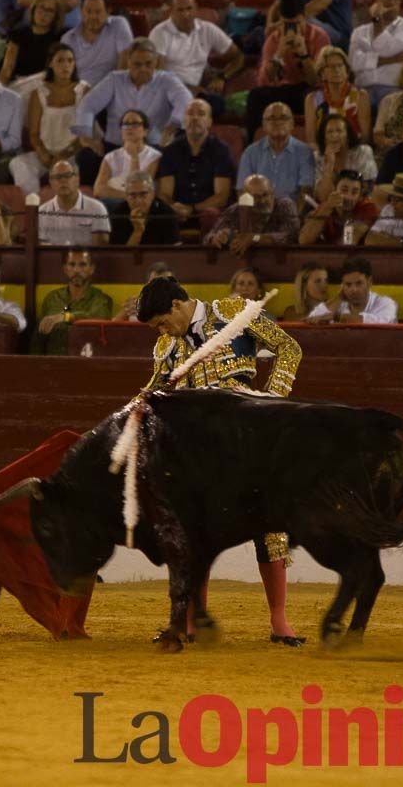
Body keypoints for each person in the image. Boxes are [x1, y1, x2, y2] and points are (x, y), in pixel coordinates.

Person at [136, 275, 304, 645]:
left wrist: (272, 400)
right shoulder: (166, 344)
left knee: (269, 526)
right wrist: (128, 414)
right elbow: (154, 389)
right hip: (195, 449)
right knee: (192, 530)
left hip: (246, 438)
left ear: (177, 306)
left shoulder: (234, 312)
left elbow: (289, 349)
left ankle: (279, 622)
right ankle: (193, 621)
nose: (162, 331)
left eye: (163, 322)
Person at [72, 38, 191, 185]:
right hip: (114, 146)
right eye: (137, 64)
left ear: (156, 62)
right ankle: (95, 202)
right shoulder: (114, 79)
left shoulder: (167, 80)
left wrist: (172, 125)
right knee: (85, 157)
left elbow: (186, 101)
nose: (143, 69)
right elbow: (87, 104)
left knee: (174, 158)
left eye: (148, 64)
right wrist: (86, 137)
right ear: (128, 62)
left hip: (152, 148)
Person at [148, 0, 243, 118]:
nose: (186, 14)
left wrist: (222, 76)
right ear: (171, 11)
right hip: (168, 94)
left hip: (198, 94)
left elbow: (238, 57)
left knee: (218, 105)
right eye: (180, 10)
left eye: (189, 8)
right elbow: (158, 76)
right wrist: (187, 89)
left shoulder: (207, 29)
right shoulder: (159, 33)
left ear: (196, 8)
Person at [10, 42, 89, 195]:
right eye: (60, 60)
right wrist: (43, 154)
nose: (66, 65)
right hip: (46, 153)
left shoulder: (84, 90)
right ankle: (34, 206)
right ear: (50, 64)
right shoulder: (39, 92)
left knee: (74, 169)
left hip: (73, 154)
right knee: (18, 163)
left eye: (70, 60)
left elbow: (85, 134)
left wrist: (63, 156)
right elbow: (33, 133)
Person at [245, 0, 329, 142]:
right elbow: (265, 80)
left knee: (318, 97)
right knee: (256, 96)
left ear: (305, 19)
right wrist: (279, 54)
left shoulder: (319, 37)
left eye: (296, 24)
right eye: (287, 24)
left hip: (309, 90)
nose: (292, 29)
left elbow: (317, 82)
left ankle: (319, 144)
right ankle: (253, 144)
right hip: (285, 90)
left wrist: (304, 55)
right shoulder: (274, 39)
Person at [156, 98, 234, 229]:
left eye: (201, 114)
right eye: (190, 113)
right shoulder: (170, 151)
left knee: (211, 215)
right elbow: (165, 193)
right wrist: (175, 208)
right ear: (184, 120)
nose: (195, 118)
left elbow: (221, 196)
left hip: (208, 212)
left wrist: (192, 209)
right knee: (159, 214)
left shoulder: (221, 150)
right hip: (177, 212)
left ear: (210, 122)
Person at [31, 249, 114, 354]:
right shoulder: (53, 298)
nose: (77, 270)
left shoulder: (101, 299)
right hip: (53, 363)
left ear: (92, 269)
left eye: (82, 265)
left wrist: (67, 317)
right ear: (65, 269)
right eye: (72, 264)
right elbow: (41, 332)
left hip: (86, 361)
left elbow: (101, 318)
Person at [349, 0, 403, 106]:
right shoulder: (359, 31)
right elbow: (354, 63)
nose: (391, 2)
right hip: (362, 89)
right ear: (377, 0)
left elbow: (385, 49)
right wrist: (394, 59)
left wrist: (377, 20)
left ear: (400, 3)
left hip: (393, 89)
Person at [237, 102, 315, 205]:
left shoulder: (304, 152)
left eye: (283, 118)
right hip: (258, 212)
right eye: (271, 118)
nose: (277, 122)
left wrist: (293, 218)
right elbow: (243, 192)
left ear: (292, 124)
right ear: (264, 125)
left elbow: (306, 192)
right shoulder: (250, 153)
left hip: (292, 213)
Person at [205, 174, 301, 255]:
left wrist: (255, 238)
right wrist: (216, 238)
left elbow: (291, 235)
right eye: (256, 197)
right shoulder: (236, 209)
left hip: (276, 261)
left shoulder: (285, 205)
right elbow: (208, 237)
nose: (262, 201)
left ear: (272, 192)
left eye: (265, 195)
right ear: (245, 197)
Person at [60, 0, 132, 86]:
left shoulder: (118, 24)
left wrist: (116, 89)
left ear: (108, 11)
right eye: (88, 11)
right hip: (78, 92)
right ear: (81, 12)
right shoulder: (68, 38)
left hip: (112, 89)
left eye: (98, 12)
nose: (93, 16)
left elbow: (126, 57)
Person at [304, 46, 372, 146]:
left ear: (347, 71)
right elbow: (311, 140)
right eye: (330, 66)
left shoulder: (360, 96)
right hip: (324, 152)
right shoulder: (312, 99)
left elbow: (366, 137)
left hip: (354, 150)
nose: (336, 70)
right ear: (322, 73)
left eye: (340, 65)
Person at [0, 0, 64, 90]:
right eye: (41, 8)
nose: (44, 14)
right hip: (19, 84)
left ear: (56, 15)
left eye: (50, 11)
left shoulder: (60, 37)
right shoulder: (19, 33)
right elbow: (7, 68)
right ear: (34, 8)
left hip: (46, 86)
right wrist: (0, 93)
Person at [94, 109, 160, 202]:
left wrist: (134, 157)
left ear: (145, 131)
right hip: (115, 202)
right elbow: (98, 189)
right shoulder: (111, 156)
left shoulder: (154, 156)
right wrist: (128, 196)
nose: (129, 128)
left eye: (135, 124)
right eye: (125, 124)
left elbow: (139, 188)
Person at [38, 160, 111, 245]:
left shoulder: (97, 208)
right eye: (58, 177)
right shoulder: (42, 212)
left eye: (67, 175)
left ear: (77, 179)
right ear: (51, 182)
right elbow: (42, 248)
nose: (63, 180)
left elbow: (100, 249)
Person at [307, 256, 397, 323]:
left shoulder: (386, 303)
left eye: (359, 283)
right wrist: (338, 298)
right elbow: (312, 318)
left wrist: (338, 317)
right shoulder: (339, 305)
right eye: (348, 284)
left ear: (369, 281)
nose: (354, 290)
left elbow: (378, 323)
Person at [299, 169, 378, 245]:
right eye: (344, 190)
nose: (348, 197)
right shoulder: (326, 206)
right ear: (334, 190)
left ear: (360, 196)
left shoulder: (367, 208)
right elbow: (304, 240)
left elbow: (349, 242)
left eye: (354, 192)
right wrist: (327, 208)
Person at [312, 113, 377, 203]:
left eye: (339, 131)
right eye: (329, 132)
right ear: (324, 139)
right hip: (330, 208)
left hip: (359, 205)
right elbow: (323, 198)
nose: (334, 135)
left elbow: (368, 190)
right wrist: (329, 164)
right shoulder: (317, 158)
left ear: (347, 136)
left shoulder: (363, 152)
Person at [108, 171, 180, 246]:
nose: (138, 200)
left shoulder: (167, 213)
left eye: (143, 194)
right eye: (133, 195)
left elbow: (174, 252)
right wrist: (138, 231)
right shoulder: (119, 213)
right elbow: (120, 254)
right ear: (126, 196)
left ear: (152, 194)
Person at [267, 0, 353, 49]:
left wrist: (282, 24)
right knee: (261, 31)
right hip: (303, 25)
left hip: (338, 35)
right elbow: (276, 6)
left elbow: (320, 4)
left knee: (303, 23)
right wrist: (269, 26)